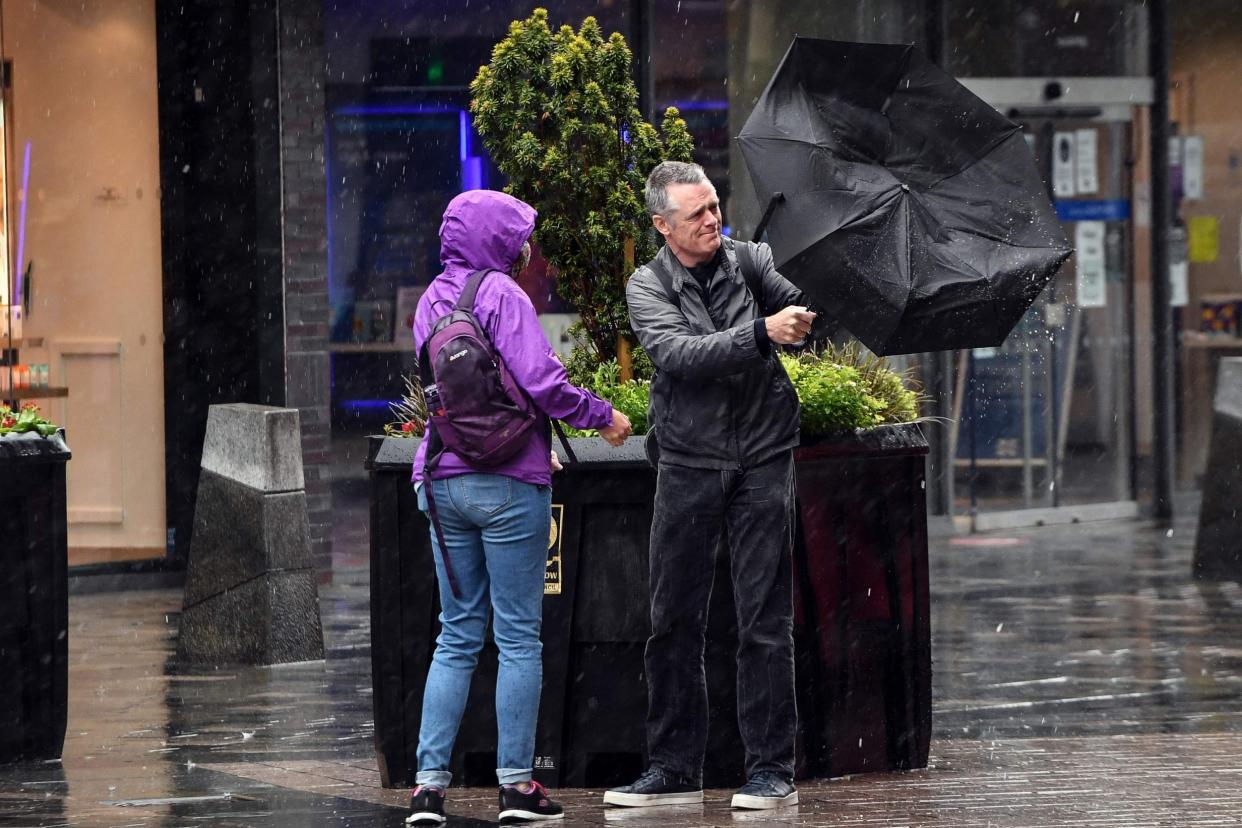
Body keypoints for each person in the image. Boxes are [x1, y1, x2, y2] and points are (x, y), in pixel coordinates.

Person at [408, 190, 632, 825]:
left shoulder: (430, 301)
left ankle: (427, 788)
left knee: (454, 636)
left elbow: (447, 399)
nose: (527, 248)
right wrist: (604, 418)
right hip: (510, 487)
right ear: (502, 241)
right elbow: (541, 382)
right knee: (517, 638)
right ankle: (516, 788)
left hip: (443, 478)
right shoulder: (506, 296)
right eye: (520, 236)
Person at [605, 161, 819, 811]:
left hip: (763, 454)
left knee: (764, 620)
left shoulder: (751, 261)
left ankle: (771, 770)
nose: (711, 219)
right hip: (688, 459)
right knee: (672, 619)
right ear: (661, 225)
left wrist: (808, 315)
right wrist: (761, 332)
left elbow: (804, 323)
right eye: (696, 213)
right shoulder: (647, 286)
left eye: (714, 206)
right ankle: (672, 767)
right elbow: (679, 356)